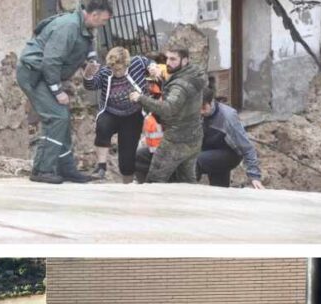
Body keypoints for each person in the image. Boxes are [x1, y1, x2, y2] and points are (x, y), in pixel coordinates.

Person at [17, 0, 112, 184]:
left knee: (62, 117)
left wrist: (90, 62)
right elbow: (51, 61)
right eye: (104, 20)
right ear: (93, 15)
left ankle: (66, 168)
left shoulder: (83, 25)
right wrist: (57, 91)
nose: (104, 24)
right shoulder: (68, 26)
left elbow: (87, 44)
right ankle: (41, 169)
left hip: (44, 73)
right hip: (34, 73)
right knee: (56, 117)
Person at [136, 87, 264, 188]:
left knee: (193, 162)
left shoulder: (228, 117)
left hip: (228, 154)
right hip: (202, 149)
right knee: (143, 155)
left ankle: (181, 194)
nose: (201, 112)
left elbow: (247, 148)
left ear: (211, 102)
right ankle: (148, 189)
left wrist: (254, 176)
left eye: (204, 108)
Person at [129, 47, 207, 183]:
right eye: (167, 58)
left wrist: (140, 98)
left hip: (176, 140)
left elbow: (169, 108)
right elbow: (178, 97)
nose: (168, 63)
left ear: (185, 60)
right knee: (187, 182)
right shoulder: (193, 73)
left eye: (173, 59)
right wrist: (161, 79)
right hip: (194, 137)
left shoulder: (180, 85)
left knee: (154, 181)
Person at [83, 47, 155, 182]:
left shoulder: (137, 62)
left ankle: (127, 186)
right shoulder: (106, 72)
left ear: (127, 64)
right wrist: (88, 75)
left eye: (119, 69)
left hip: (133, 115)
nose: (116, 73)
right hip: (111, 112)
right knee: (102, 125)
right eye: (113, 69)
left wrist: (153, 68)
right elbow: (91, 85)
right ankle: (101, 167)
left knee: (126, 161)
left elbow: (151, 63)